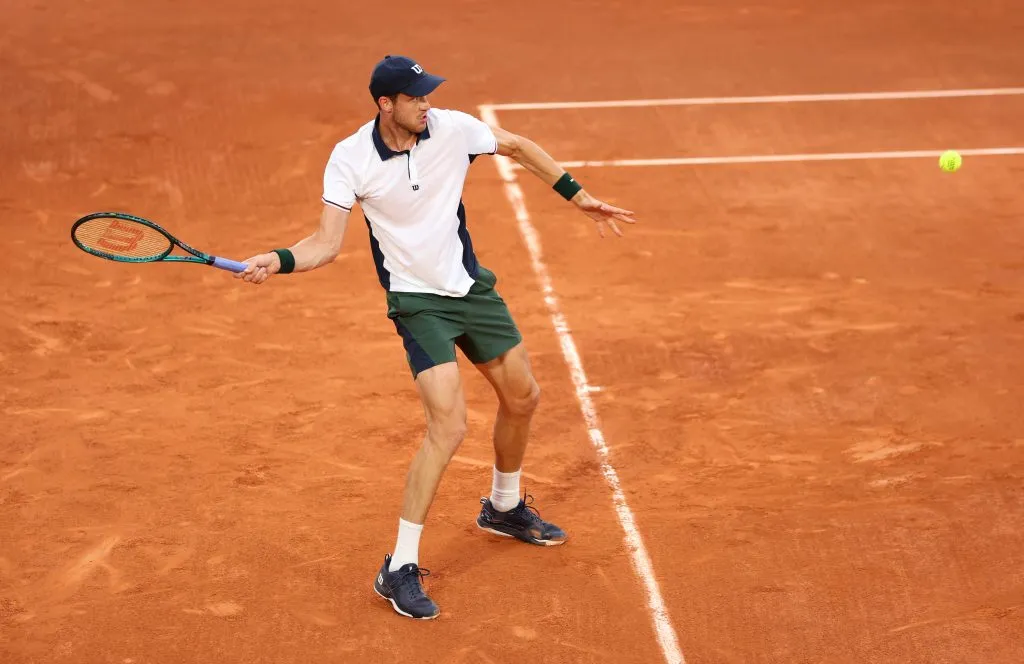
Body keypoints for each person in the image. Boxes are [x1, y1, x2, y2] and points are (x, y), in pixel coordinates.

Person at [235, 55, 636, 620]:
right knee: (448, 425)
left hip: (469, 288)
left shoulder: (450, 129)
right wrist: (276, 261)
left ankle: (502, 507)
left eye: (427, 95)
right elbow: (325, 244)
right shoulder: (350, 159)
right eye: (416, 97)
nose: (427, 104)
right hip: (417, 302)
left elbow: (516, 146)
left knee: (523, 398)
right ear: (385, 104)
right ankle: (397, 566)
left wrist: (579, 196)